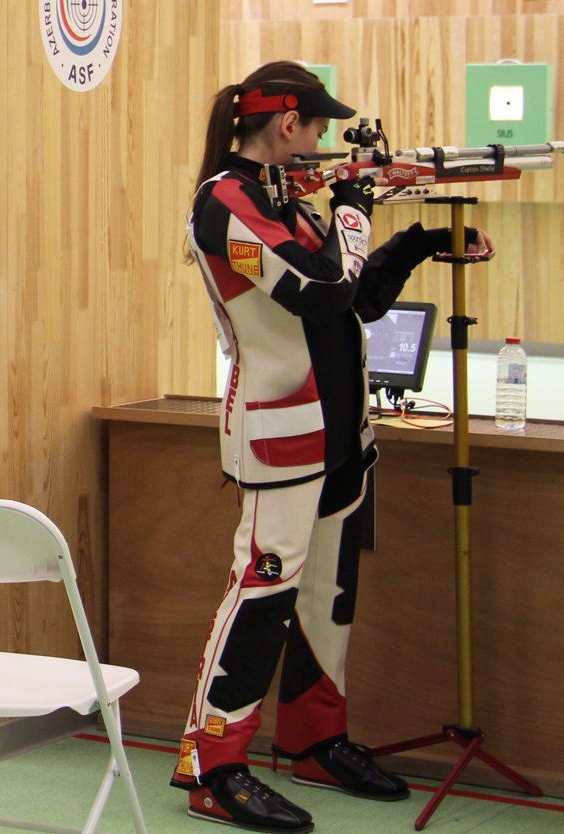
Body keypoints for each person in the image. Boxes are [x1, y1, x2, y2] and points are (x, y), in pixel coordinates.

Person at [175, 61, 494, 833]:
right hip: (282, 432)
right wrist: (354, 211)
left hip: (341, 434)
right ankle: (210, 763)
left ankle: (314, 741)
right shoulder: (225, 203)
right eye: (317, 127)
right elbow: (319, 288)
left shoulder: (284, 200)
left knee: (327, 599)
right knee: (261, 595)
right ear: (289, 124)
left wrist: (416, 240)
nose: (321, 141)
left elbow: (356, 300)